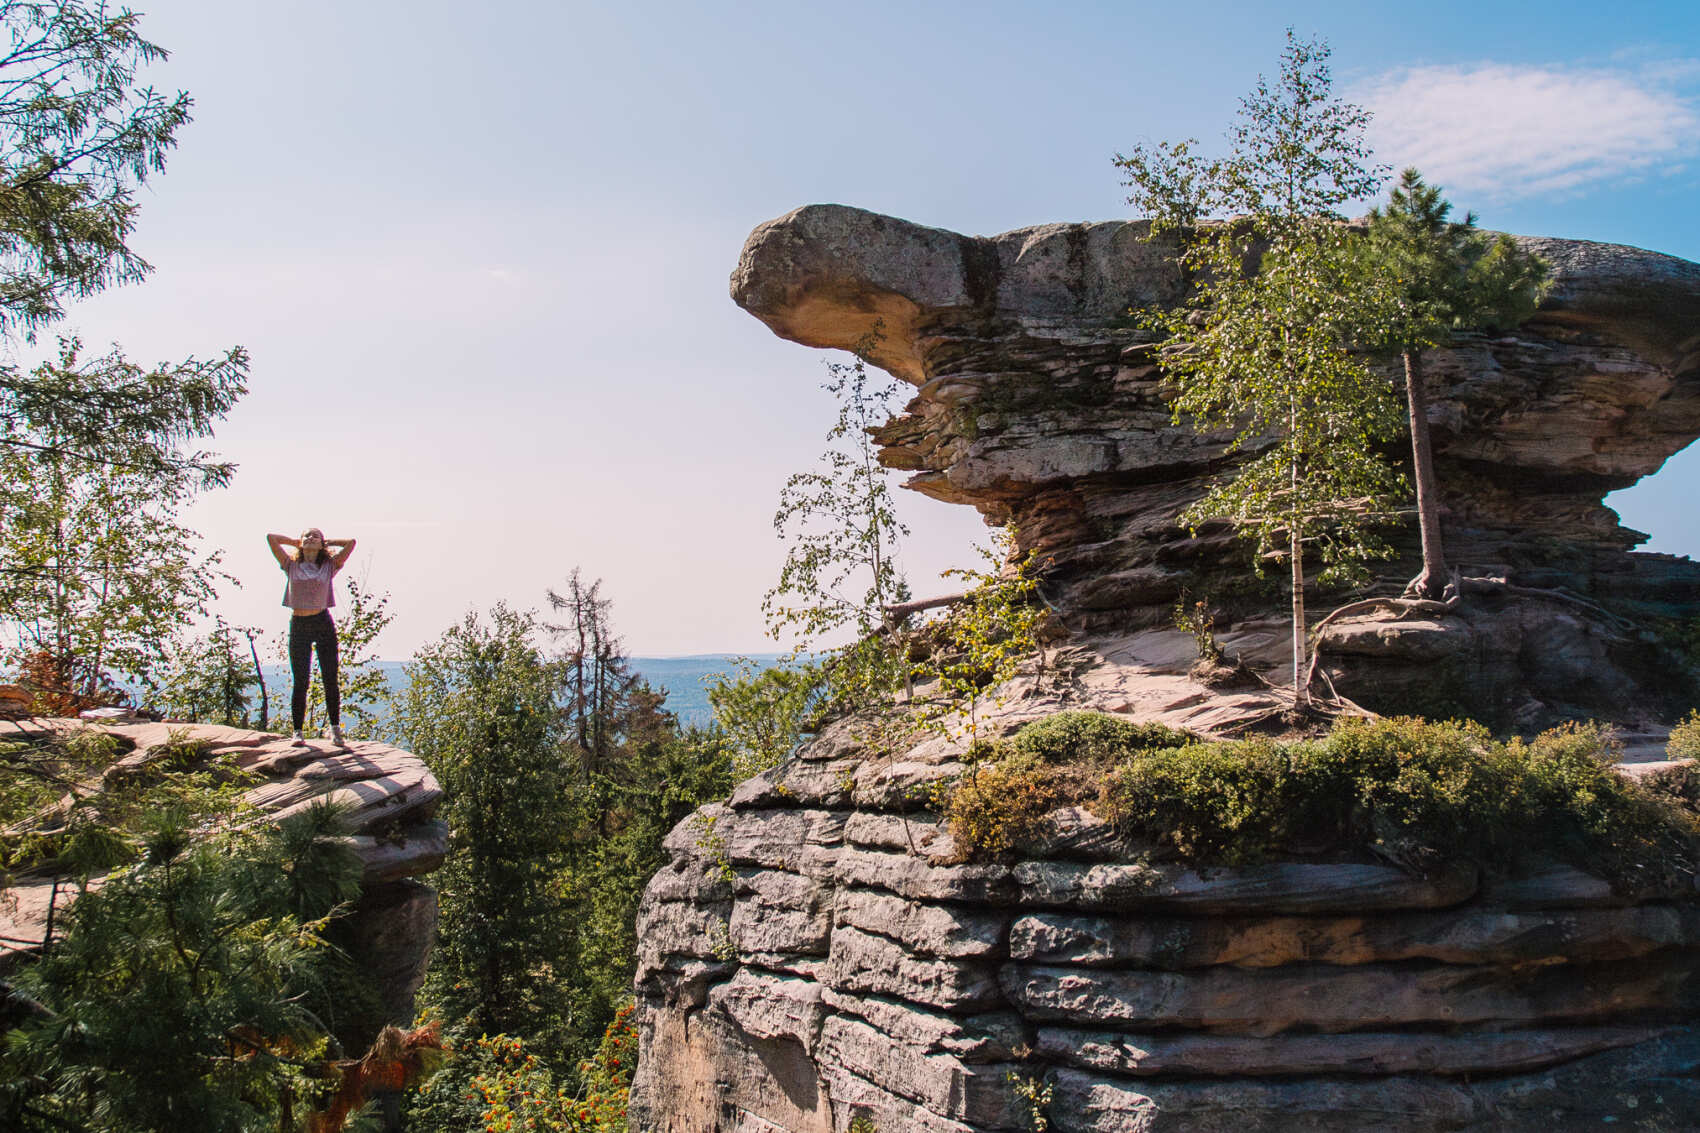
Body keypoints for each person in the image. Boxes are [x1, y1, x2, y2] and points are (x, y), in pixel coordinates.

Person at [267, 528, 356, 747]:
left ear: (321, 544)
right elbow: (271, 538)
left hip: (323, 623)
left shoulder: (328, 567)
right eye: (307, 535)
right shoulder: (291, 565)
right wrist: (296, 542)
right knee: (301, 681)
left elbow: (351, 543)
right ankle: (297, 731)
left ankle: (335, 729)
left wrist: (326, 542)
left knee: (330, 678)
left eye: (315, 536)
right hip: (299, 625)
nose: (310, 538)